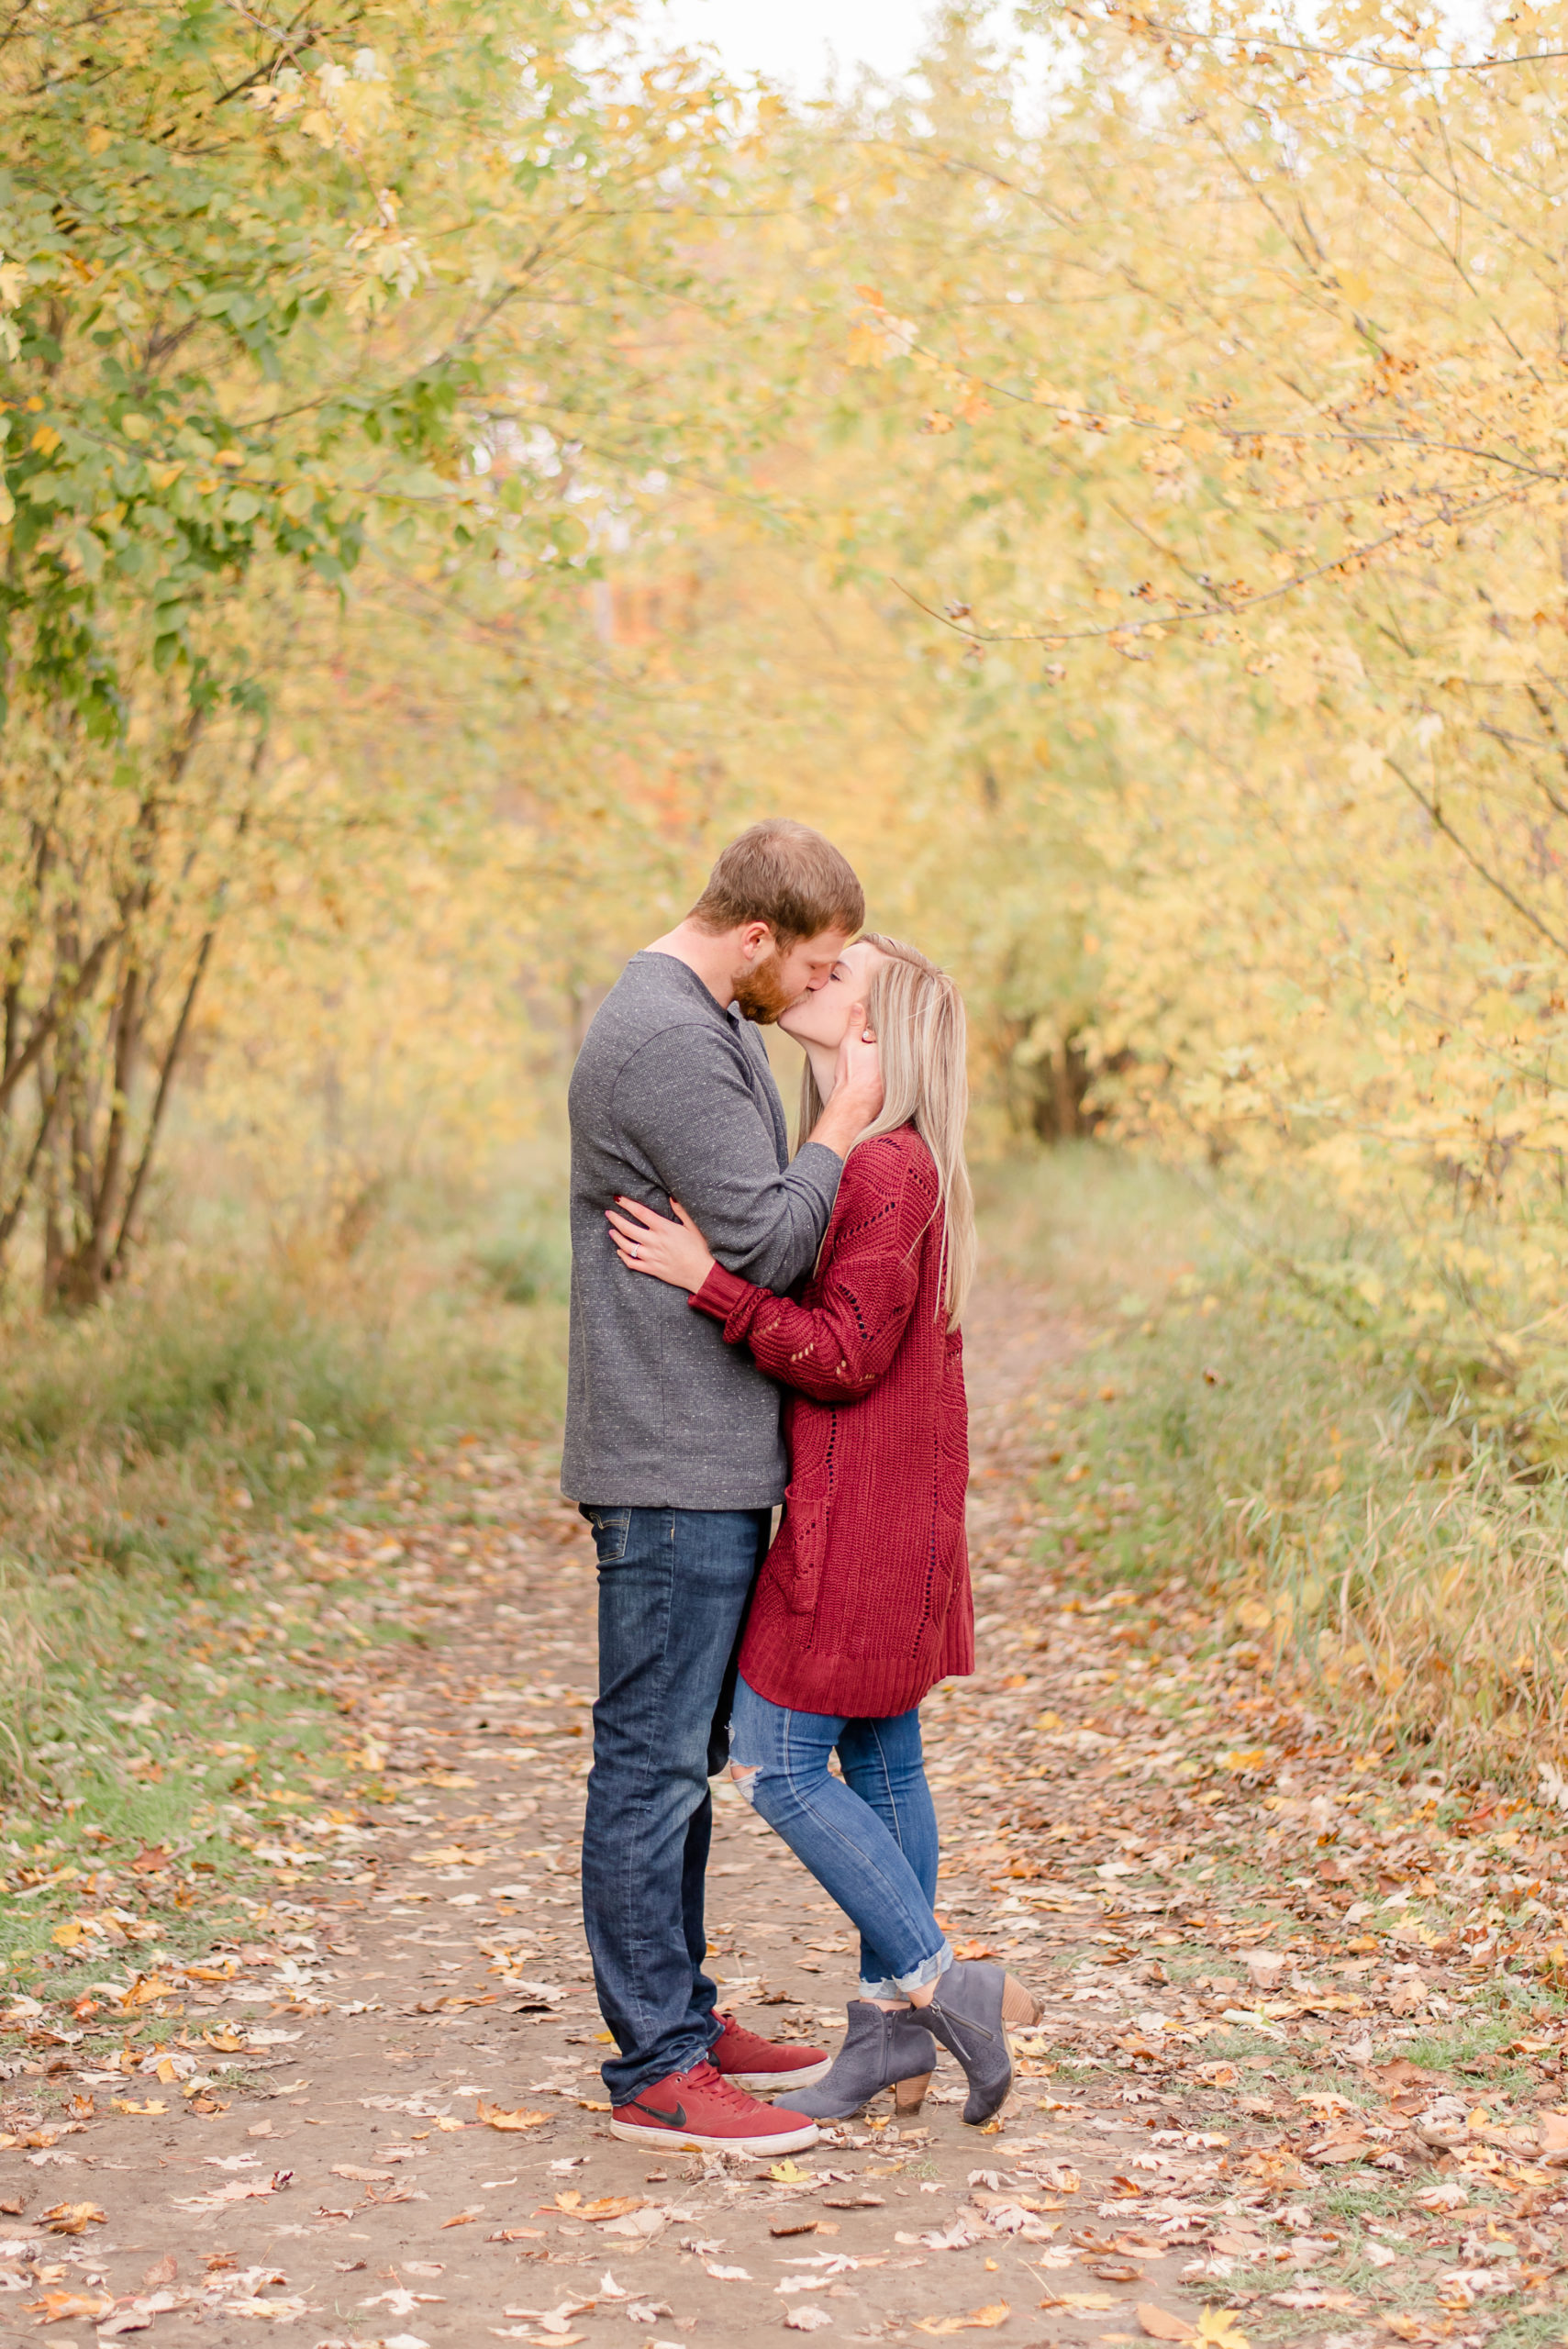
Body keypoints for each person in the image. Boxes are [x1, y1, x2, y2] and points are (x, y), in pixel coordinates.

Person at [609, 934, 1040, 2130]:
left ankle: (939, 1979)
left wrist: (711, 1278)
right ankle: (886, 2042)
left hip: (858, 1519)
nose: (812, 977)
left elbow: (843, 1356)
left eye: (837, 973)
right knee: (882, 1758)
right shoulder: (890, 1159)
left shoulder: (883, 1172)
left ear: (874, 1030)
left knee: (777, 1761)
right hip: (895, 1511)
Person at [564, 819, 885, 2157]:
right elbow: (768, 1237)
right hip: (668, 1459)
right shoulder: (670, 1039)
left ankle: (680, 2024)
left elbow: (746, 1232)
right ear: (754, 935)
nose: (814, 989)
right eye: (808, 965)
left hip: (695, 1452)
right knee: (650, 1769)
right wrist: (847, 1118)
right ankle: (655, 2069)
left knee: (679, 1767)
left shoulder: (707, 1022)